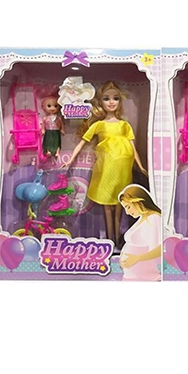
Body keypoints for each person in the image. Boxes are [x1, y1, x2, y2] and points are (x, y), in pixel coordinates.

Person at [62, 81, 147, 244]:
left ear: (120, 101)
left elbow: (132, 147)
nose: (111, 102)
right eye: (106, 98)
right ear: (100, 102)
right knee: (107, 206)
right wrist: (71, 159)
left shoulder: (124, 125)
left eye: (115, 98)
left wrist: (141, 166)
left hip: (123, 168)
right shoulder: (99, 125)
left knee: (120, 203)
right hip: (106, 167)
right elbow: (82, 143)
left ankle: (117, 239)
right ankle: (110, 239)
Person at [118, 185, 161, 281]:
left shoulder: (154, 218)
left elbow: (159, 249)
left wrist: (138, 258)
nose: (127, 212)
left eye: (128, 207)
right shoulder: (143, 218)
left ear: (138, 202)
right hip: (133, 276)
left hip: (144, 276)